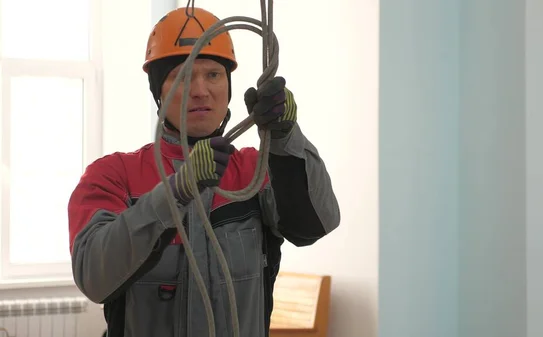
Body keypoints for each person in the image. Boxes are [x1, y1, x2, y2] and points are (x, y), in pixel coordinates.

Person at [67, 5, 340, 337]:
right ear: (159, 92)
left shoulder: (257, 171)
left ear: (228, 87)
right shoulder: (113, 175)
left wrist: (286, 138)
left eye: (213, 74)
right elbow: (94, 277)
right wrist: (176, 192)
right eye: (182, 76)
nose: (200, 90)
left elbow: (314, 224)